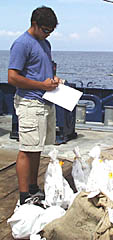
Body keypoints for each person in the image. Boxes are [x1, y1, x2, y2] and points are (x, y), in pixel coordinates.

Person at [8, 6, 61, 205]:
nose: (48, 34)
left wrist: (54, 79)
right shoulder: (22, 44)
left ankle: (33, 188)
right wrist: (41, 85)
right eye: (46, 30)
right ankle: (24, 196)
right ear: (35, 25)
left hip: (45, 102)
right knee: (26, 149)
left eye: (51, 31)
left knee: (37, 148)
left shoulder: (45, 44)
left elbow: (43, 69)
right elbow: (12, 77)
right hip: (30, 102)